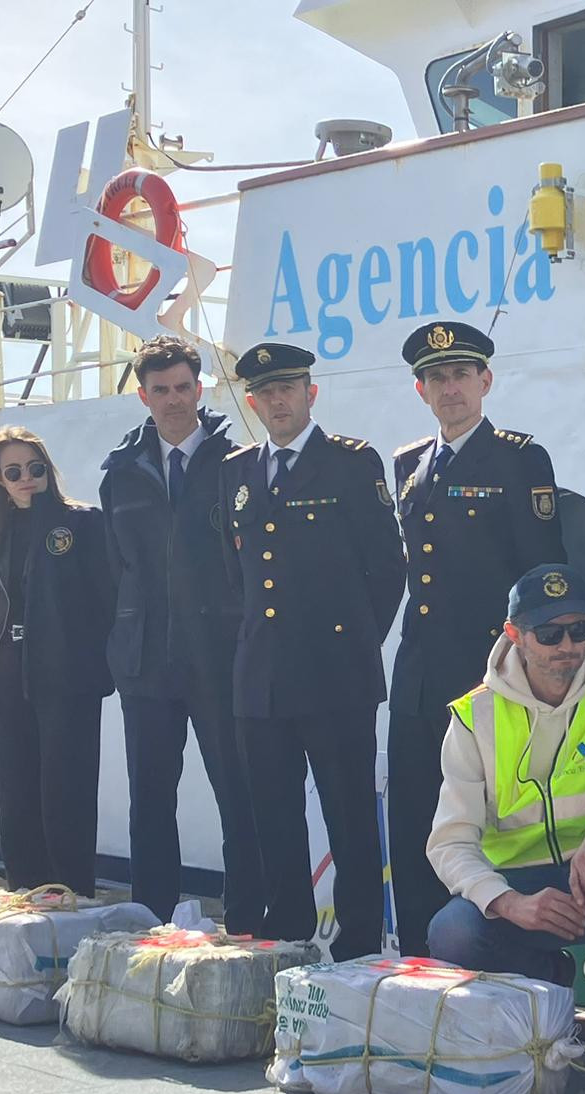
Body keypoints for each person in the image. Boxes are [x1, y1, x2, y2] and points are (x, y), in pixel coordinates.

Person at [220, 342, 404, 960]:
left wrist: (352, 643)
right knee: (273, 815)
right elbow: (233, 574)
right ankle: (289, 934)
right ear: (253, 401)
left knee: (349, 818)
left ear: (310, 393)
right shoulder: (238, 471)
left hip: (336, 678)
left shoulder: (350, 463)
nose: (278, 400)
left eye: (289, 388)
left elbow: (387, 570)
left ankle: (357, 943)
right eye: (267, 392)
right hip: (261, 678)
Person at [387, 320, 566, 957]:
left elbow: (543, 576)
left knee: (485, 831)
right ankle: (414, 963)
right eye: (437, 377)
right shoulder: (410, 463)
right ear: (421, 390)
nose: (450, 387)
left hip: (485, 677)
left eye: (461, 374)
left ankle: (479, 965)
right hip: (419, 677)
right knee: (412, 825)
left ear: (485, 381)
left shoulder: (519, 459)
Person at [425, 564, 585, 983]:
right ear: (515, 635)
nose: (568, 645)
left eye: (580, 630)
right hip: (522, 888)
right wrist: (510, 903)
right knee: (451, 932)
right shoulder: (475, 715)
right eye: (550, 634)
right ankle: (552, 983)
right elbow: (449, 843)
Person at [99, 335, 263, 931]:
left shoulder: (239, 464)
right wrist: (120, 647)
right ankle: (151, 925)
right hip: (146, 662)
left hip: (220, 660)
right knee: (149, 803)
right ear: (143, 396)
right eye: (160, 390)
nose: (173, 400)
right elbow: (115, 571)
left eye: (183, 387)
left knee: (237, 796)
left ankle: (247, 923)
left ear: (201, 388)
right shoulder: (121, 472)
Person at [0, 427, 113, 896]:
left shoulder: (83, 523)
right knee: (17, 791)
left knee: (65, 793)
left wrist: (94, 667)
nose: (27, 478)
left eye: (35, 468)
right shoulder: (0, 531)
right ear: (0, 481)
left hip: (64, 676)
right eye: (14, 472)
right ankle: (24, 894)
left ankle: (71, 893)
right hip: (8, 672)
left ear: (48, 470)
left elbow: (105, 599)